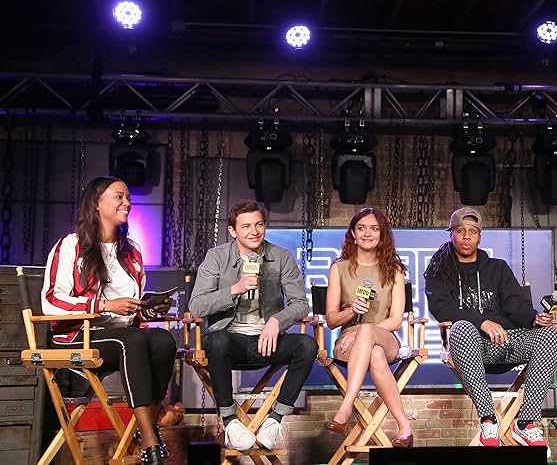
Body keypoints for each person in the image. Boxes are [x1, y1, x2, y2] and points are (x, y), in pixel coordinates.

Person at [41, 176, 176, 465]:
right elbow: (51, 299)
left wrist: (152, 308)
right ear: (97, 203)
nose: (126, 202)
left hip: (122, 335)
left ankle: (146, 427)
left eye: (127, 197)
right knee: (134, 339)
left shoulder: (132, 251)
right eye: (118, 196)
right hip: (78, 335)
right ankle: (150, 437)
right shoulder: (70, 246)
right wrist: (103, 305)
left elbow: (135, 313)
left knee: (163, 340)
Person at [424, 207, 557, 452]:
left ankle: (527, 422)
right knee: (462, 328)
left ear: (479, 237)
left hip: (506, 343)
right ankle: (488, 419)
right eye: (460, 231)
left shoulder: (497, 268)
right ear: (451, 234)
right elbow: (441, 308)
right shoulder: (439, 270)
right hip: (469, 348)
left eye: (473, 231)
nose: (466, 236)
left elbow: (516, 305)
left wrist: (534, 318)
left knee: (549, 335)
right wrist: (481, 322)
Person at [188, 200, 318, 452]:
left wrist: (276, 320)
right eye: (246, 226)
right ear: (233, 231)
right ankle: (230, 421)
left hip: (266, 341)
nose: (254, 231)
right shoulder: (216, 257)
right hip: (230, 342)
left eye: (259, 224)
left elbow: (301, 304)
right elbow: (197, 306)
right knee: (216, 339)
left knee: (306, 344)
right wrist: (234, 289)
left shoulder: (281, 257)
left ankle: (275, 419)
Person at [323, 207, 415, 448]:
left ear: (382, 235)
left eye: (374, 229)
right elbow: (331, 320)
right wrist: (352, 311)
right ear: (353, 233)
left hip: (385, 337)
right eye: (361, 228)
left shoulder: (394, 270)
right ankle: (404, 427)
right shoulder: (339, 268)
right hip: (347, 343)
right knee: (372, 352)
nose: (367, 234)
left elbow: (395, 319)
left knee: (368, 335)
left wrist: (364, 333)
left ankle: (345, 409)